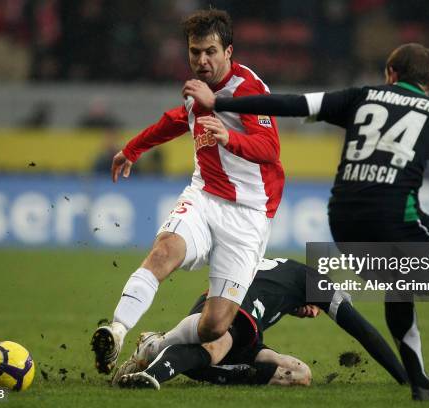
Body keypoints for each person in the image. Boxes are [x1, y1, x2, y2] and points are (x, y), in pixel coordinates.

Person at [183, 43, 429, 401]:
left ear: (390, 74)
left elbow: (292, 104)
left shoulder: (361, 97)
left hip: (343, 222)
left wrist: (222, 103)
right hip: (395, 215)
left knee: (400, 288)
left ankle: (420, 385)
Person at [91, 9, 284, 375]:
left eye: (210, 51)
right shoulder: (197, 89)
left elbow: (269, 149)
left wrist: (230, 137)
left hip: (248, 213)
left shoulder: (249, 89)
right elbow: (179, 119)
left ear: (229, 51)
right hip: (204, 197)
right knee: (165, 250)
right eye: (194, 52)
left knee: (214, 325)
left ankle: (156, 345)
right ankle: (116, 330)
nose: (202, 60)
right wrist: (132, 148)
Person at [112, 258, 408, 389]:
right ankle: (155, 368)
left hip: (249, 330)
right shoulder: (316, 282)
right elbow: (363, 331)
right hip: (229, 307)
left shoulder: (291, 278)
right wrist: (405, 378)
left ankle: (175, 356)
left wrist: (292, 306)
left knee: (299, 374)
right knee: (218, 345)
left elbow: (274, 290)